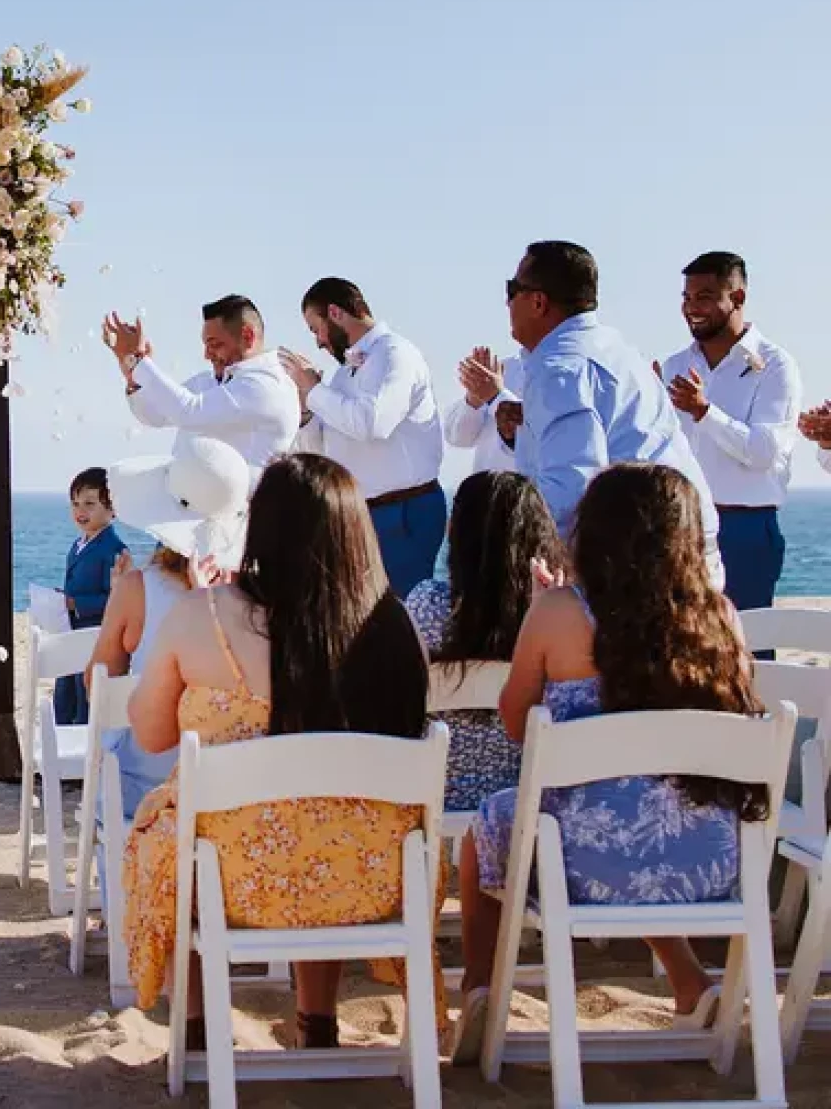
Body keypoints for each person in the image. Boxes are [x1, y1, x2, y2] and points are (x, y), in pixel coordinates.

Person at [446, 463, 766, 1062]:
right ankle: (690, 982)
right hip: (712, 859)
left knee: (487, 827)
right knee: (650, 812)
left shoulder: (560, 613)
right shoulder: (719, 619)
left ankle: (481, 987)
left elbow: (519, 727)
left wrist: (545, 618)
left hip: (588, 866)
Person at [119, 454, 430, 1048]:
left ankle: (197, 1023)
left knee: (169, 827)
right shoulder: (395, 628)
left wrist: (205, 613)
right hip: (371, 884)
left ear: (261, 528)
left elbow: (150, 734)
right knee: (327, 817)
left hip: (236, 887)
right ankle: (318, 1021)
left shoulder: (203, 616)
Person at [502, 241, 721, 575]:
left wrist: (491, 527)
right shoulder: (614, 350)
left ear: (538, 301)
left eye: (512, 289)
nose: (507, 302)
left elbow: (570, 490)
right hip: (678, 547)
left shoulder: (561, 368)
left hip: (639, 566)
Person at [83, 436, 252, 821]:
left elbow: (98, 684)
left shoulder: (136, 589)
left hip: (149, 787)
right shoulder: (257, 595)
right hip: (234, 793)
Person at [404, 472, 563, 813]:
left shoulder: (426, 605)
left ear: (456, 533)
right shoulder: (549, 616)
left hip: (435, 812)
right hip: (523, 816)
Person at [280, 279, 446, 596]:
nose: (317, 341)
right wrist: (306, 409)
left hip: (404, 511)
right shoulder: (342, 374)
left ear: (335, 313)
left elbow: (373, 424)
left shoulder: (396, 354)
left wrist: (315, 390)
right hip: (360, 516)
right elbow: (324, 453)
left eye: (316, 328)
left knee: (401, 617)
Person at [658, 252, 802, 614]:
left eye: (704, 297)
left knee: (749, 645)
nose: (691, 308)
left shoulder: (775, 366)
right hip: (683, 524)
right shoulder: (676, 364)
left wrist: (704, 411)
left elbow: (763, 451)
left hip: (746, 528)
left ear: (737, 298)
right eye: (686, 298)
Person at [103, 296, 301, 475]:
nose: (207, 355)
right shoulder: (210, 381)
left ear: (248, 337)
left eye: (215, 344)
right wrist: (131, 372)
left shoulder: (265, 385)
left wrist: (139, 362)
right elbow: (154, 414)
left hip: (245, 511)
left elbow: (188, 412)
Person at [53, 466, 128, 726]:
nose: (80, 511)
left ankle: (83, 752)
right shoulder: (78, 544)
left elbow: (117, 600)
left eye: (89, 504)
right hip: (70, 631)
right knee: (64, 694)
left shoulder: (114, 549)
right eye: (75, 504)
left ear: (112, 509)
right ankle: (59, 750)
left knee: (85, 697)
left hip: (94, 636)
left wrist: (77, 603)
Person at [444, 347, 524, 474]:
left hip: (533, 492)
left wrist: (496, 397)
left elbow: (539, 439)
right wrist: (473, 401)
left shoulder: (564, 374)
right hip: (486, 490)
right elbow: (459, 439)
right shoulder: (503, 369)